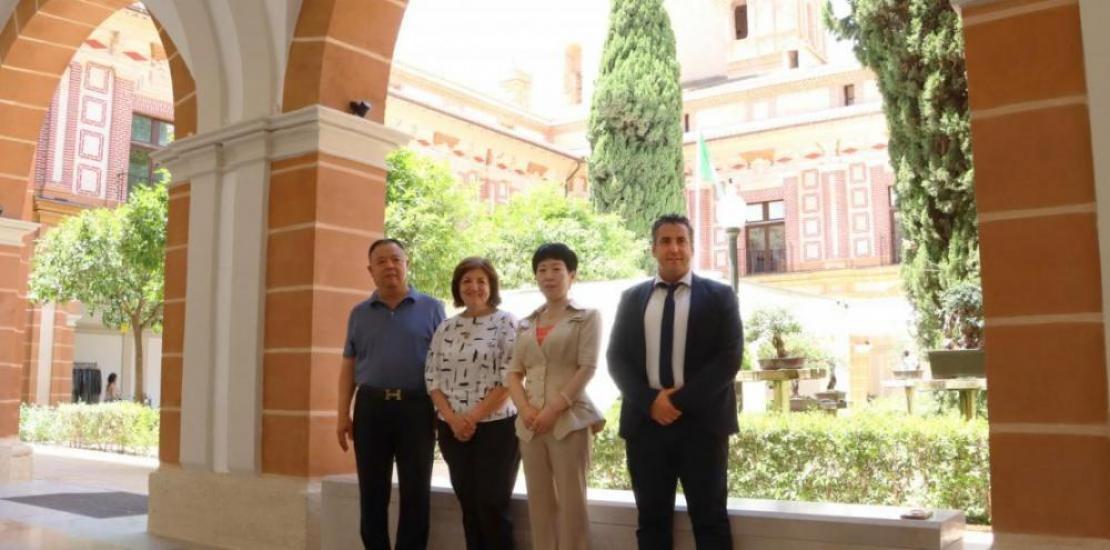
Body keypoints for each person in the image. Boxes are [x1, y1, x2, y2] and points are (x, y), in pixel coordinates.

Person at [607, 215, 743, 550]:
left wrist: (676, 403)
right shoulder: (631, 298)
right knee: (651, 523)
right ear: (653, 248)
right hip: (646, 426)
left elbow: (729, 358)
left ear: (692, 247)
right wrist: (651, 402)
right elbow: (616, 358)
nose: (674, 248)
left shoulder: (720, 296)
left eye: (681, 241)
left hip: (703, 427)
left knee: (710, 521)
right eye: (665, 241)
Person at [336, 238, 446, 550]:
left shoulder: (432, 308)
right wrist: (342, 414)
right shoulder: (359, 313)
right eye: (381, 261)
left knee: (416, 490)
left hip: (417, 408)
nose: (390, 266)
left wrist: (443, 411)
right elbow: (348, 366)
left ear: (406, 264)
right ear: (370, 270)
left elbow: (445, 363)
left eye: (396, 259)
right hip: (371, 408)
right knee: (372, 491)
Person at [506, 243, 603, 550]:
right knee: (540, 503)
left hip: (569, 422)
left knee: (572, 504)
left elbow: (587, 368)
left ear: (572, 275)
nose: (548, 276)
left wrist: (553, 409)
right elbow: (513, 373)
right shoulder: (525, 323)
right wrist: (524, 409)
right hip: (530, 426)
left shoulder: (587, 317)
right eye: (542, 270)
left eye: (556, 269)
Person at [425, 257, 521, 550]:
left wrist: (472, 417)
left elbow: (509, 377)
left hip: (497, 429)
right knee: (469, 505)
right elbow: (432, 378)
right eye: (467, 281)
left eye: (481, 280)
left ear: (492, 286)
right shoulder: (446, 327)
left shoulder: (507, 322)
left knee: (492, 505)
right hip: (452, 429)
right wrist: (453, 419)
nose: (474, 287)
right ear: (458, 287)